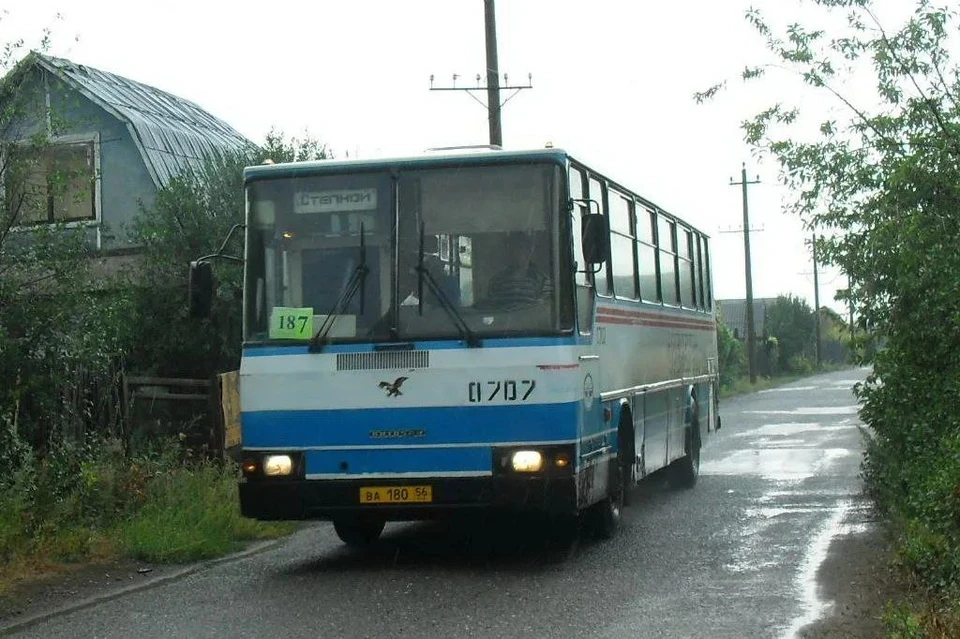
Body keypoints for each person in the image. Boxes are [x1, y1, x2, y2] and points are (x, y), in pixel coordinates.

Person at [482, 232, 553, 309]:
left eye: (520, 248)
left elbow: (544, 309)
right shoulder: (496, 281)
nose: (514, 252)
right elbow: (491, 308)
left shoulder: (542, 281)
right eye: (511, 248)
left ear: (528, 251)